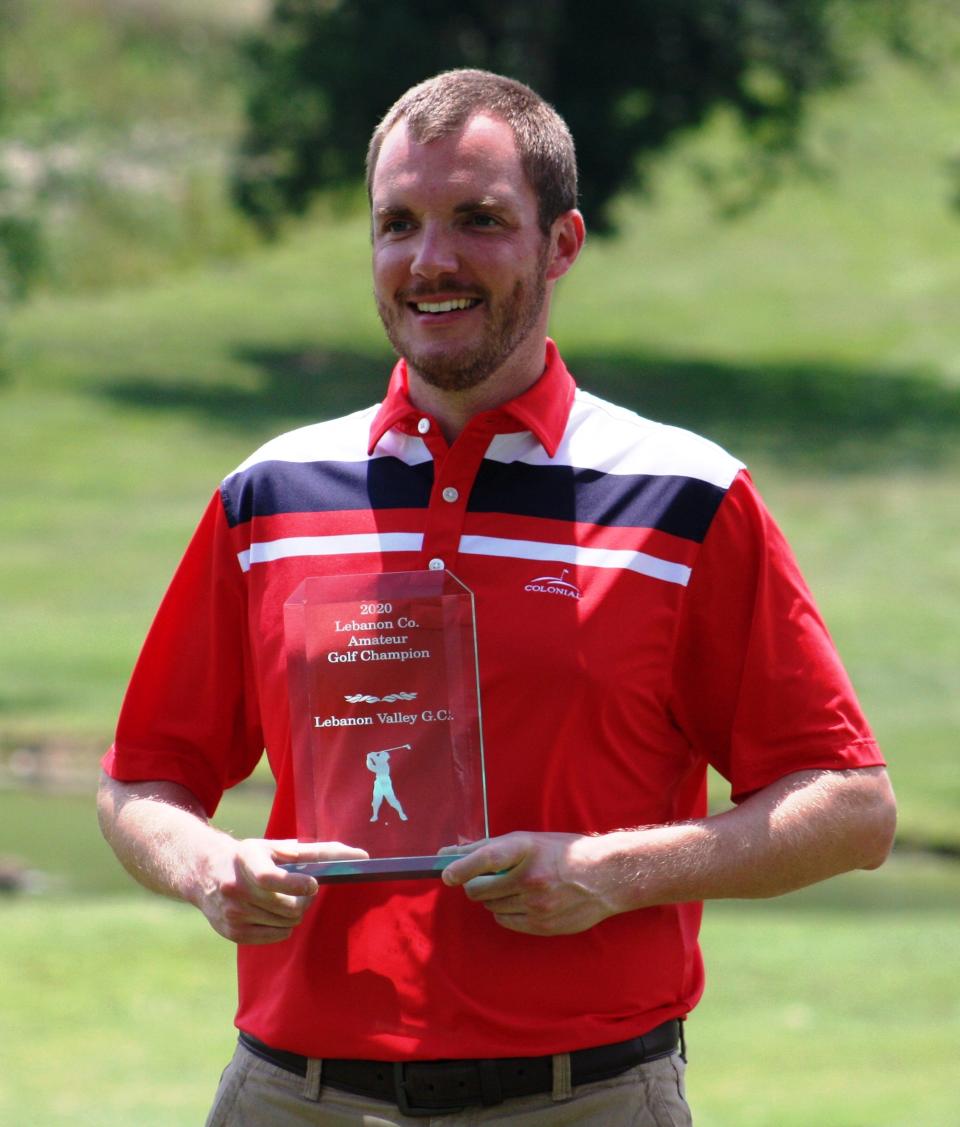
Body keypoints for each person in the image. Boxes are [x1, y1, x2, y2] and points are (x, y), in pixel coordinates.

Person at [98, 68, 896, 1125]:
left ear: (562, 243)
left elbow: (851, 805)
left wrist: (616, 868)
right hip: (295, 1093)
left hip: (586, 1096)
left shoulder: (684, 498)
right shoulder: (271, 494)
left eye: (479, 221)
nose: (431, 261)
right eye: (398, 224)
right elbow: (140, 784)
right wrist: (209, 865)